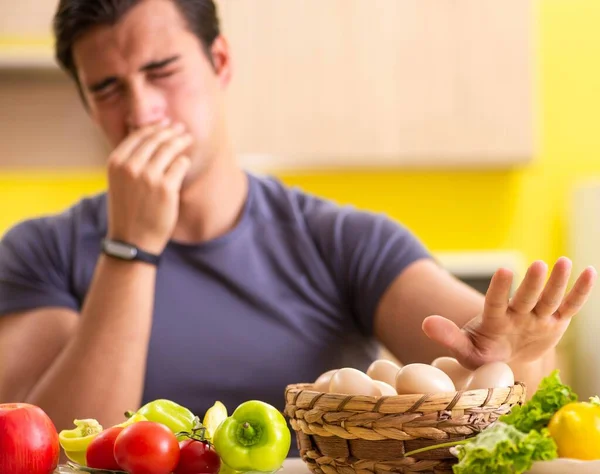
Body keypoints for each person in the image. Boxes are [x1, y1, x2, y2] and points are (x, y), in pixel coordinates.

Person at [0, 0, 596, 447]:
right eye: (107, 88)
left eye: (162, 71)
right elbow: (51, 447)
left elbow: (489, 367)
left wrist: (524, 355)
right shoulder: (41, 252)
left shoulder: (343, 240)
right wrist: (129, 249)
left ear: (220, 61)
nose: (141, 111)